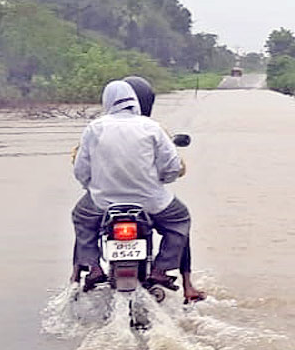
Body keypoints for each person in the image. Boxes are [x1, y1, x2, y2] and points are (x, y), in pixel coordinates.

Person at [70, 77, 204, 303]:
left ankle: (92, 267)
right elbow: (172, 167)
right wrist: (160, 180)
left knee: (81, 218)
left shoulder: (95, 128)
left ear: (107, 101)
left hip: (104, 204)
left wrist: (92, 188)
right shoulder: (152, 127)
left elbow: (81, 170)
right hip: (151, 203)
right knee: (180, 220)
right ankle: (162, 270)